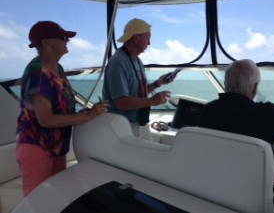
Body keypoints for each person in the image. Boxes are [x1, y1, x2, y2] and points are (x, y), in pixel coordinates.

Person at [16, 21, 109, 197]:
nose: (67, 40)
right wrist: (88, 115)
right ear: (46, 42)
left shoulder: (57, 68)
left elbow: (61, 109)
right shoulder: (37, 72)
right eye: (62, 37)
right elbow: (46, 119)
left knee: (56, 196)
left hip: (57, 146)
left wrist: (84, 114)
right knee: (37, 202)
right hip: (37, 147)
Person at [198, 59, 274, 213]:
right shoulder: (267, 115)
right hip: (258, 198)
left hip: (216, 188)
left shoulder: (207, 111)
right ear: (255, 87)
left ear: (225, 84)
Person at [102, 18, 175, 141]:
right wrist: (151, 101)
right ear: (136, 38)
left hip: (140, 123)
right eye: (147, 37)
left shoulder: (136, 60)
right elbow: (121, 102)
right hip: (124, 127)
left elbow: (138, 91)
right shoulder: (118, 63)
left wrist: (158, 83)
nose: (149, 43)